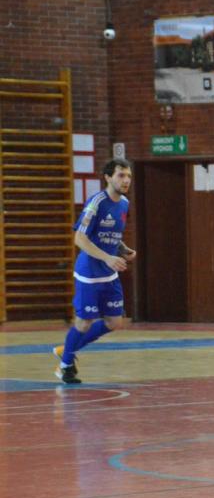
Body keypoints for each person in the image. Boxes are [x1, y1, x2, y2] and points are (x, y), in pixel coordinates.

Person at [53, 159, 136, 384]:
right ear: (108, 177)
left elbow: (110, 236)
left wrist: (122, 249)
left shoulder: (124, 203)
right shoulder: (97, 202)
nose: (126, 180)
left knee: (115, 322)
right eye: (121, 175)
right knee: (84, 323)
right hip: (89, 273)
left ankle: (66, 349)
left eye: (128, 176)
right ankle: (66, 366)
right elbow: (80, 238)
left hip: (109, 273)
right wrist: (108, 257)